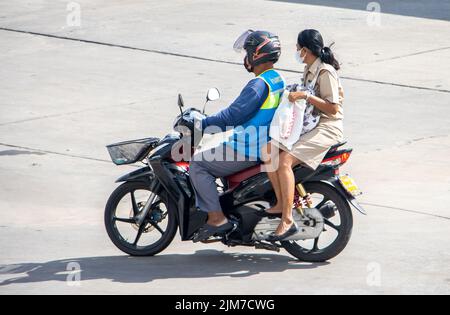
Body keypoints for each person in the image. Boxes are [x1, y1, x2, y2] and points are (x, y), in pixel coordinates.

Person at [189, 30, 286, 242]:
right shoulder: (277, 79)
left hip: (248, 147)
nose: (245, 58)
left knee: (198, 164)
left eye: (248, 52)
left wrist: (202, 124)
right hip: (263, 143)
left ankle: (216, 219)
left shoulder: (258, 84)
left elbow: (234, 114)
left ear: (257, 55)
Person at [263, 29, 345, 242]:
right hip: (311, 124)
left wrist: (305, 96)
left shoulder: (325, 71)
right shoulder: (310, 69)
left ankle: (287, 219)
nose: (297, 52)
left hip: (327, 128)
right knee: (268, 150)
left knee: (284, 162)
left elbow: (333, 108)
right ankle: (281, 202)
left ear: (306, 50)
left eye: (298, 48)